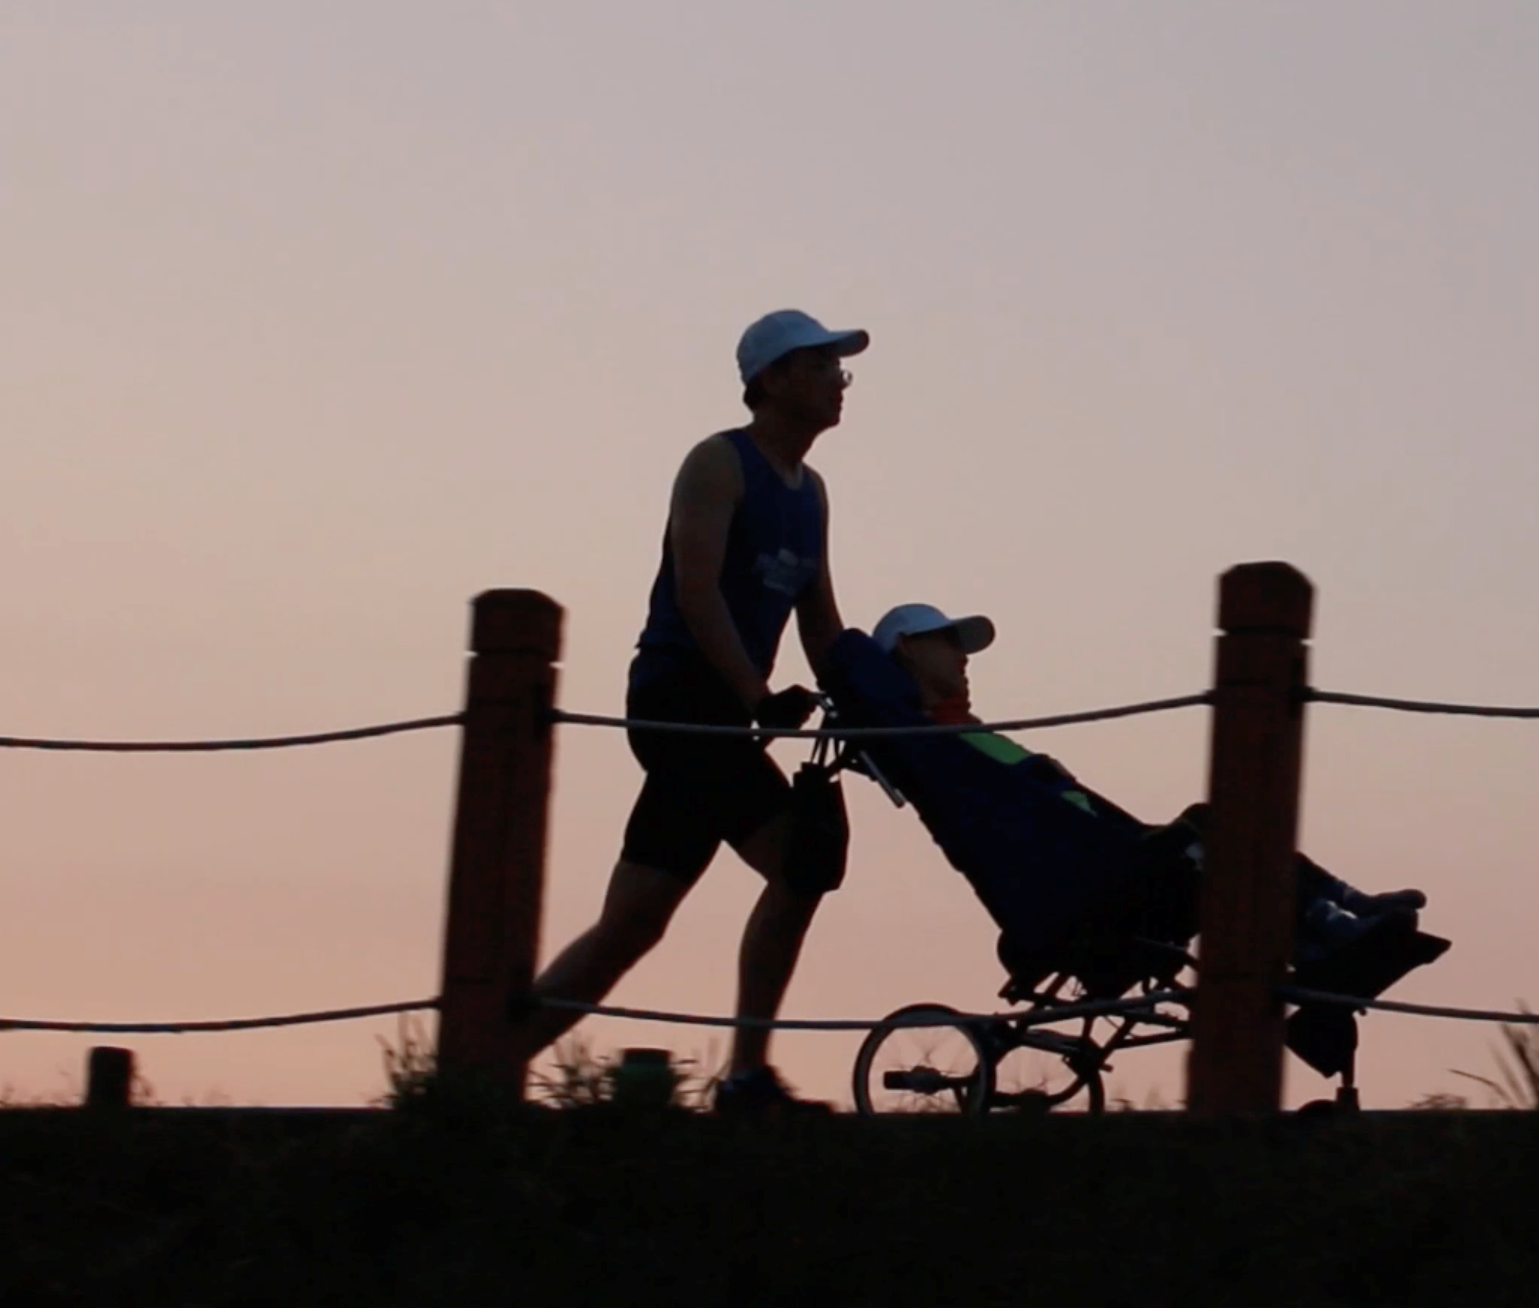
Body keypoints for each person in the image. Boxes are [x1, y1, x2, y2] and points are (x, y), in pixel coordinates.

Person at [835, 601, 1444, 1076]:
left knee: (1210, 835)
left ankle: (1331, 925)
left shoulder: (963, 737)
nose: (962, 656)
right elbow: (846, 656)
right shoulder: (937, 749)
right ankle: (1329, 922)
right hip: (1082, 900)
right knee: (1209, 827)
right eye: (947, 642)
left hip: (1102, 873)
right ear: (909, 651)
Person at [525, 310, 866, 1113]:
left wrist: (869, 704)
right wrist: (755, 693)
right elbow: (695, 587)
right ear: (774, 379)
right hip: (681, 698)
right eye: (822, 365)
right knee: (803, 863)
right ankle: (745, 1075)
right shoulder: (718, 463)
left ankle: (483, 1060)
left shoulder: (812, 494)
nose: (838, 382)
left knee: (634, 921)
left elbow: (820, 620)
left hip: (727, 712)